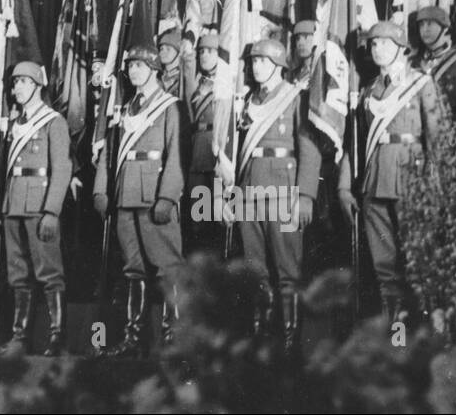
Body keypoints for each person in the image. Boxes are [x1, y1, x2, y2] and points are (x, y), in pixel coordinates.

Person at [338, 21, 441, 322]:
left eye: (382, 42)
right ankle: (397, 337)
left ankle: (431, 333)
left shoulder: (421, 83)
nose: (376, 48)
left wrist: (435, 183)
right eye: (372, 44)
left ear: (400, 47)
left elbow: (437, 136)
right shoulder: (368, 91)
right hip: (374, 183)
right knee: (385, 269)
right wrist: (344, 187)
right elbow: (353, 145)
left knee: (420, 261)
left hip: (413, 179)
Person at [221, 39, 319, 355]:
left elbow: (309, 149)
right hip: (250, 193)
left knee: (288, 271)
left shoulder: (295, 98)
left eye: (261, 61)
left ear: (278, 65)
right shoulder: (246, 101)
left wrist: (306, 195)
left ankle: (291, 341)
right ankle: (261, 338)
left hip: (284, 193)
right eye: (252, 62)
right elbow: (236, 154)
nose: (255, 67)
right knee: (255, 271)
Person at [94, 45, 185, 355]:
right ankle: (134, 338)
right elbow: (109, 152)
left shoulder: (170, 107)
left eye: (139, 65)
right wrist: (101, 190)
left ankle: (174, 338)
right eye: (130, 65)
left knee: (167, 267)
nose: (133, 71)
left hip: (153, 195)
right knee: (133, 269)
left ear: (154, 70)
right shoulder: (124, 108)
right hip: (124, 194)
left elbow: (176, 156)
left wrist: (168, 196)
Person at [0, 61, 71, 355]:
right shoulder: (12, 125)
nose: (15, 88)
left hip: (39, 205)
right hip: (12, 204)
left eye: (22, 82)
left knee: (49, 272)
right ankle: (19, 337)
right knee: (17, 274)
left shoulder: (53, 122)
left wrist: (52, 212)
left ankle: (57, 336)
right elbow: (0, 170)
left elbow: (62, 170)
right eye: (14, 83)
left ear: (37, 85)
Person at [184, 32, 222, 257]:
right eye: (201, 52)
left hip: (218, 155)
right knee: (198, 219)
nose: (205, 56)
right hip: (198, 156)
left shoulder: (228, 83)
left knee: (220, 216)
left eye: (211, 51)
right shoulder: (197, 83)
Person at [414, 5, 456, 122]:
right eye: (421, 25)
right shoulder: (415, 63)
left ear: (444, 28)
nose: (425, 29)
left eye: (430, 24)